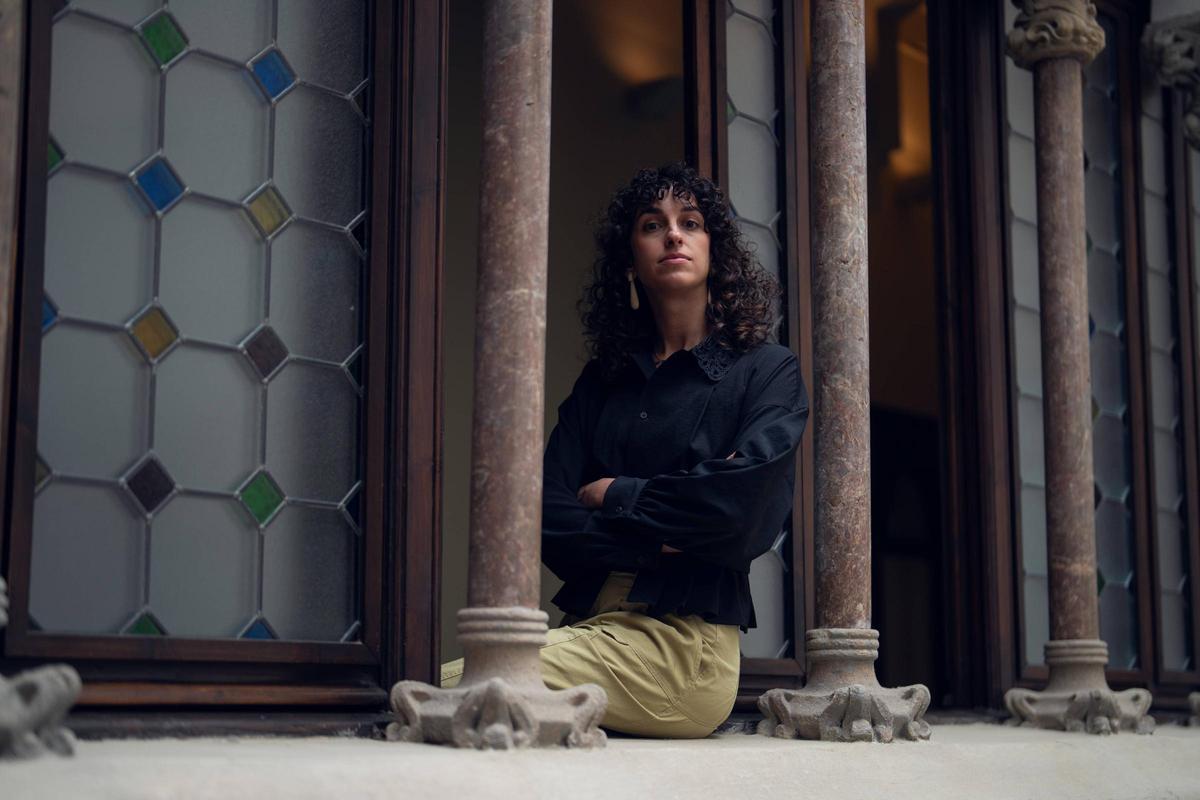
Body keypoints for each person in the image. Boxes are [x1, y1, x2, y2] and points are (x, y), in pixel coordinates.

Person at [442, 162, 808, 738]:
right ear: (631, 258)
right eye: (651, 225)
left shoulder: (766, 371)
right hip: (588, 627)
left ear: (717, 250)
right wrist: (676, 521)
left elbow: (743, 515)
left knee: (455, 684)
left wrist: (615, 494)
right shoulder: (603, 381)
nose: (673, 235)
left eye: (690, 222)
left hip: (682, 651)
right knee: (474, 690)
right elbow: (541, 513)